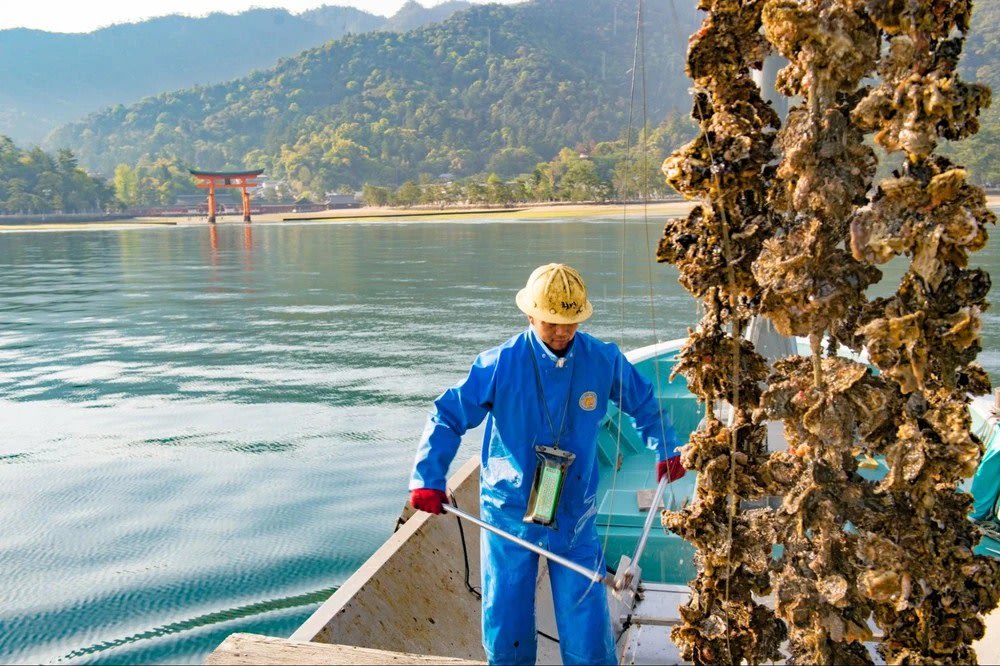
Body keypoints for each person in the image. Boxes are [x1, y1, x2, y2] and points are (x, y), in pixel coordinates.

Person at [408, 263, 685, 665]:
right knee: (507, 623)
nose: (562, 332)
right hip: (509, 512)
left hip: (575, 511)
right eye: (553, 322)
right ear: (530, 314)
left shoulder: (602, 359)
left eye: (571, 323)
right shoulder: (500, 363)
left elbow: (642, 401)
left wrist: (666, 447)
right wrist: (428, 476)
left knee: (587, 628)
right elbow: (448, 416)